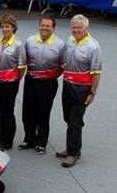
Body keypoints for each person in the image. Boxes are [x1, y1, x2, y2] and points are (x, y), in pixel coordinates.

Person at [58, 14, 101, 168]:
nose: (76, 30)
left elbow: (96, 73)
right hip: (67, 86)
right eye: (74, 28)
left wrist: (92, 93)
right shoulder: (70, 40)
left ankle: (73, 153)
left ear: (86, 28)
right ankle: (73, 146)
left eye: (79, 28)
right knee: (68, 118)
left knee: (75, 122)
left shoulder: (93, 46)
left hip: (82, 90)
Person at [20, 13, 65, 155]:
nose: (45, 28)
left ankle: (41, 143)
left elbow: (62, 66)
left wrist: (49, 76)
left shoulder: (60, 44)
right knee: (27, 111)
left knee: (43, 113)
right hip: (31, 80)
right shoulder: (30, 40)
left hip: (48, 83)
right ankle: (29, 139)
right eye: (42, 25)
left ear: (54, 28)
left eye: (48, 26)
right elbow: (24, 60)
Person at [0, 14, 26, 150]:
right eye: (3, 26)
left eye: (8, 26)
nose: (5, 29)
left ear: (13, 28)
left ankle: (8, 139)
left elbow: (22, 67)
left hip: (10, 83)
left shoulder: (18, 45)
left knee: (7, 110)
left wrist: (15, 80)